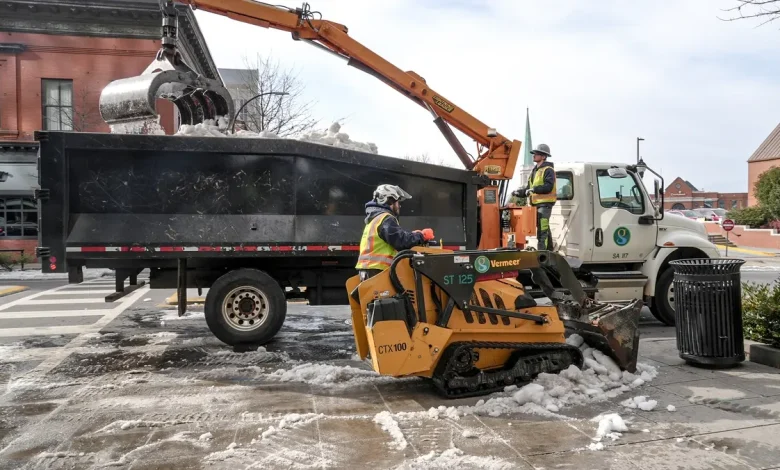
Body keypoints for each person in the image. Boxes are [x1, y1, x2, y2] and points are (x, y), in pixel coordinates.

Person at [356, 184, 435, 280]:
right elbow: (401, 242)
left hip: (369, 269)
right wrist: (422, 236)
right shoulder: (386, 218)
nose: (399, 206)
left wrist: (412, 235)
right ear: (389, 201)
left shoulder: (375, 218)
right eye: (397, 202)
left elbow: (395, 237)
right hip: (377, 270)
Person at [513, 143, 557, 251]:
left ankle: (543, 254)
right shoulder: (534, 171)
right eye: (534, 153)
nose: (534, 155)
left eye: (536, 153)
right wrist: (519, 193)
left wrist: (534, 189)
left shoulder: (548, 170)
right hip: (536, 205)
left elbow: (548, 187)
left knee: (542, 230)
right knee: (544, 229)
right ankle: (550, 251)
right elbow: (529, 189)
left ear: (543, 156)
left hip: (545, 205)